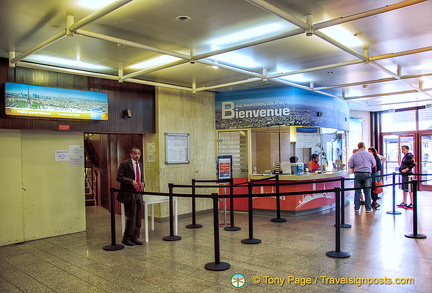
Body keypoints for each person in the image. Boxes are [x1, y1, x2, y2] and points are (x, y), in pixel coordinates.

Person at [116, 147, 145, 246]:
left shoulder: (140, 164)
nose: (137, 156)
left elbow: (141, 177)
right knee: (131, 217)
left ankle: (135, 237)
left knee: (138, 217)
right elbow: (119, 177)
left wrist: (142, 183)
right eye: (135, 154)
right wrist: (131, 181)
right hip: (129, 193)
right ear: (131, 154)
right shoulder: (124, 164)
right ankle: (126, 238)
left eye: (139, 154)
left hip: (138, 193)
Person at [349, 142, 376, 213]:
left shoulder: (354, 155)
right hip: (367, 173)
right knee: (367, 192)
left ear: (358, 147)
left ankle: (357, 207)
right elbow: (374, 164)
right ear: (364, 147)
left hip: (358, 174)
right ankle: (368, 208)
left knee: (357, 191)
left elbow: (350, 164)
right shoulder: (370, 155)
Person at [397, 145, 416, 209]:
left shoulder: (409, 155)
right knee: (404, 189)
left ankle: (412, 203)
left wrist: (406, 169)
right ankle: (404, 202)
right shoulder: (404, 156)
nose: (402, 151)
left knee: (410, 189)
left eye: (404, 149)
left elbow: (413, 164)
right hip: (404, 175)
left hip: (408, 175)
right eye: (402, 149)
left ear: (407, 149)